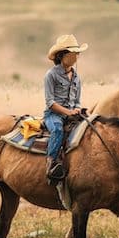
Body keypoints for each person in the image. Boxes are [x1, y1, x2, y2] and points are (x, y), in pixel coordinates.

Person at [43, 34, 88, 182]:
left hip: (71, 114)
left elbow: (77, 100)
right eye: (73, 53)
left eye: (77, 53)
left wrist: (77, 109)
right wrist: (68, 112)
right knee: (57, 129)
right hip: (53, 115)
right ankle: (51, 162)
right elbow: (50, 102)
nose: (77, 56)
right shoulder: (51, 75)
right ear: (62, 55)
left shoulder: (76, 77)